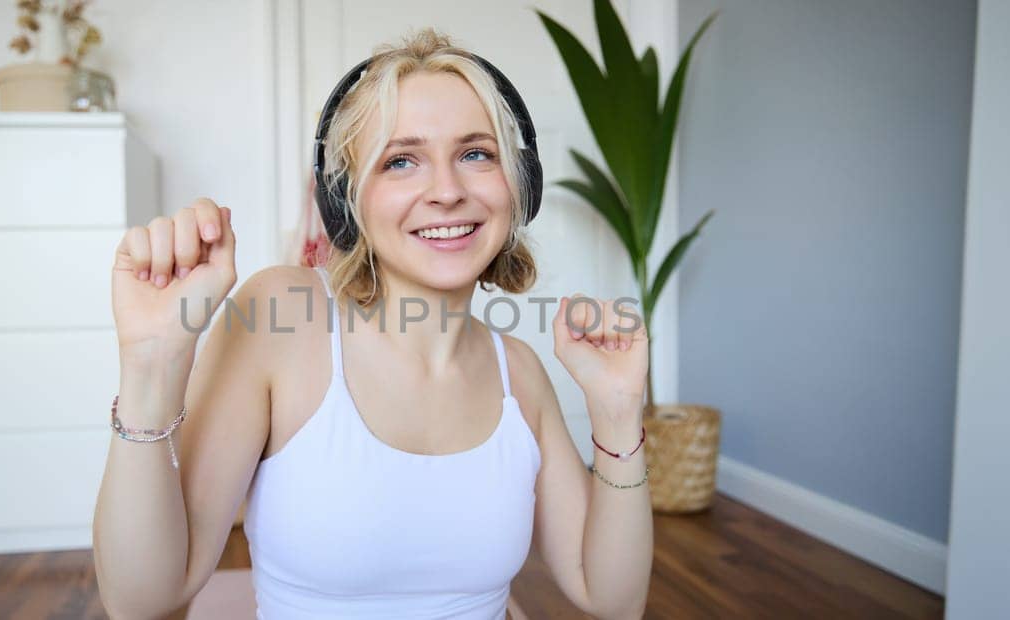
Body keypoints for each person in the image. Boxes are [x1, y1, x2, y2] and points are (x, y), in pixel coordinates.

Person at [93, 28, 653, 620]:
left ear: (519, 188)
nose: (447, 190)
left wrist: (618, 412)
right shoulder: (280, 319)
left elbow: (612, 599)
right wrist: (149, 366)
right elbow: (141, 601)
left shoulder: (520, 371)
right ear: (346, 199)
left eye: (476, 153)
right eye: (401, 160)